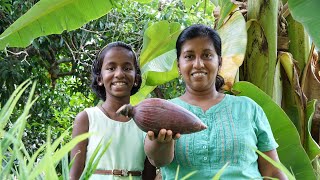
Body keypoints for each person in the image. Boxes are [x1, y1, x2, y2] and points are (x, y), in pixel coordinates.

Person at [144, 24, 288, 180]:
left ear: (219, 62)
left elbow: (272, 171)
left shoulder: (248, 108)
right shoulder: (164, 110)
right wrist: (162, 143)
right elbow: (157, 160)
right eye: (189, 56)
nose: (198, 64)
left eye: (207, 55)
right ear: (179, 65)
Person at [70, 41, 156, 180]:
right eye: (111, 68)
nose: (119, 74)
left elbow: (149, 175)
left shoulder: (146, 121)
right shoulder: (87, 118)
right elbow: (74, 175)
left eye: (127, 68)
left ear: (136, 78)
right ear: (100, 79)